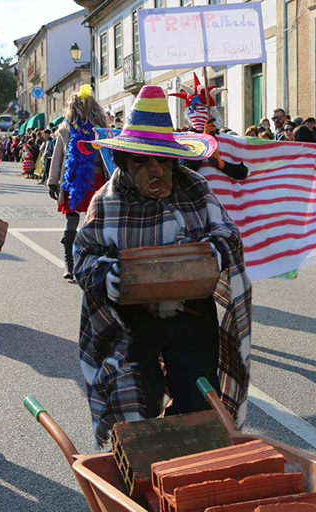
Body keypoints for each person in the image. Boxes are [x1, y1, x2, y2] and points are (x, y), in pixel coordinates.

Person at [72, 85, 252, 446]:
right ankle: (142, 465)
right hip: (130, 320)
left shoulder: (195, 188)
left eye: (163, 159)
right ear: (124, 160)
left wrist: (210, 255)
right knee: (137, 401)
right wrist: (109, 276)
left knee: (198, 401)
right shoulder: (106, 202)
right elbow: (82, 257)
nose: (155, 169)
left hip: (190, 313)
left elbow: (228, 234)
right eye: (143, 160)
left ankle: (189, 464)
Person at [47, 85, 109, 280]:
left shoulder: (101, 128)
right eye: (76, 105)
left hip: (97, 179)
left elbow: (108, 155)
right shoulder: (65, 128)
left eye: (82, 104)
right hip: (72, 180)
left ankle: (93, 260)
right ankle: (69, 263)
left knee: (96, 222)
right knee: (71, 220)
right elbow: (58, 156)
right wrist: (52, 181)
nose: (79, 108)